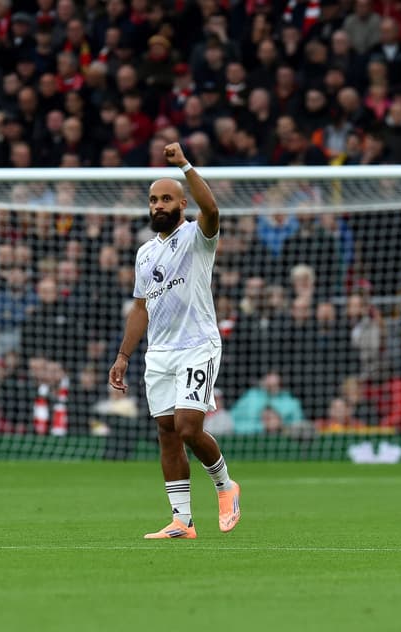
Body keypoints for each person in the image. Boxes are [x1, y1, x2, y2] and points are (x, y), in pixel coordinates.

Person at [109, 142, 240, 540]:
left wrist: (184, 164)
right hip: (160, 352)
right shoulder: (145, 253)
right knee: (166, 430)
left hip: (197, 344)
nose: (158, 205)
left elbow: (213, 211)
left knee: (187, 426)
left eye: (166, 198)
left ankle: (225, 486)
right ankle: (182, 521)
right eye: (152, 200)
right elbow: (140, 308)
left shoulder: (197, 238)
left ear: (182, 203)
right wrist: (123, 356)